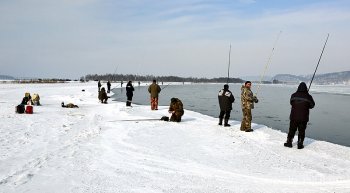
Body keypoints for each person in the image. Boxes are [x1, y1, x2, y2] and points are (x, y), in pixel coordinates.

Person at [284, 82, 315, 149]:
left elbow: (291, 103)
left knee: (292, 130)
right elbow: (312, 105)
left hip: (294, 117)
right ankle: (300, 144)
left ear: (298, 87)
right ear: (306, 88)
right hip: (303, 118)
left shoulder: (293, 95)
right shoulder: (308, 96)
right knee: (302, 131)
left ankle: (289, 142)